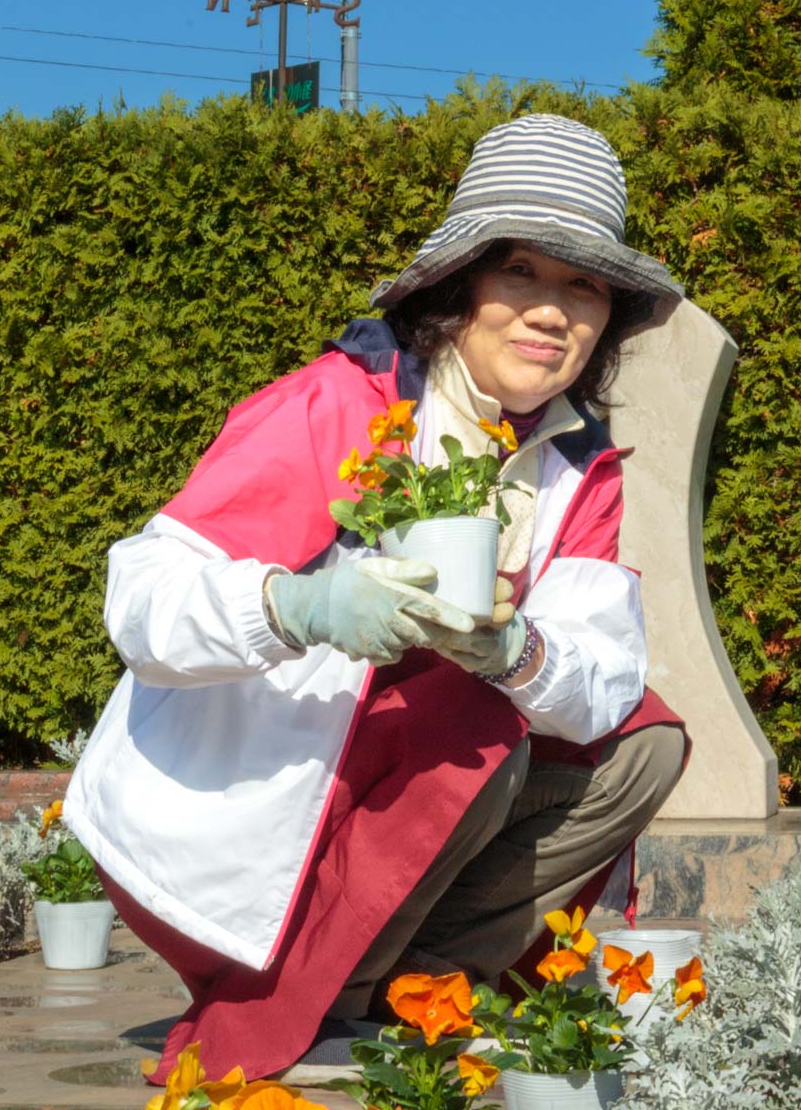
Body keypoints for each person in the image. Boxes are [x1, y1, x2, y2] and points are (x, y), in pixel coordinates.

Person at [65, 114, 691, 1082]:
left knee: (637, 736)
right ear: (458, 288)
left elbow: (601, 680)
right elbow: (144, 603)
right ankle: (309, 999)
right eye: (520, 272)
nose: (552, 310)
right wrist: (300, 607)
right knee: (461, 715)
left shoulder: (579, 464)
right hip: (238, 808)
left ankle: (415, 992)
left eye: (585, 286)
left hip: (386, 799)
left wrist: (517, 651)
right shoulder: (334, 403)